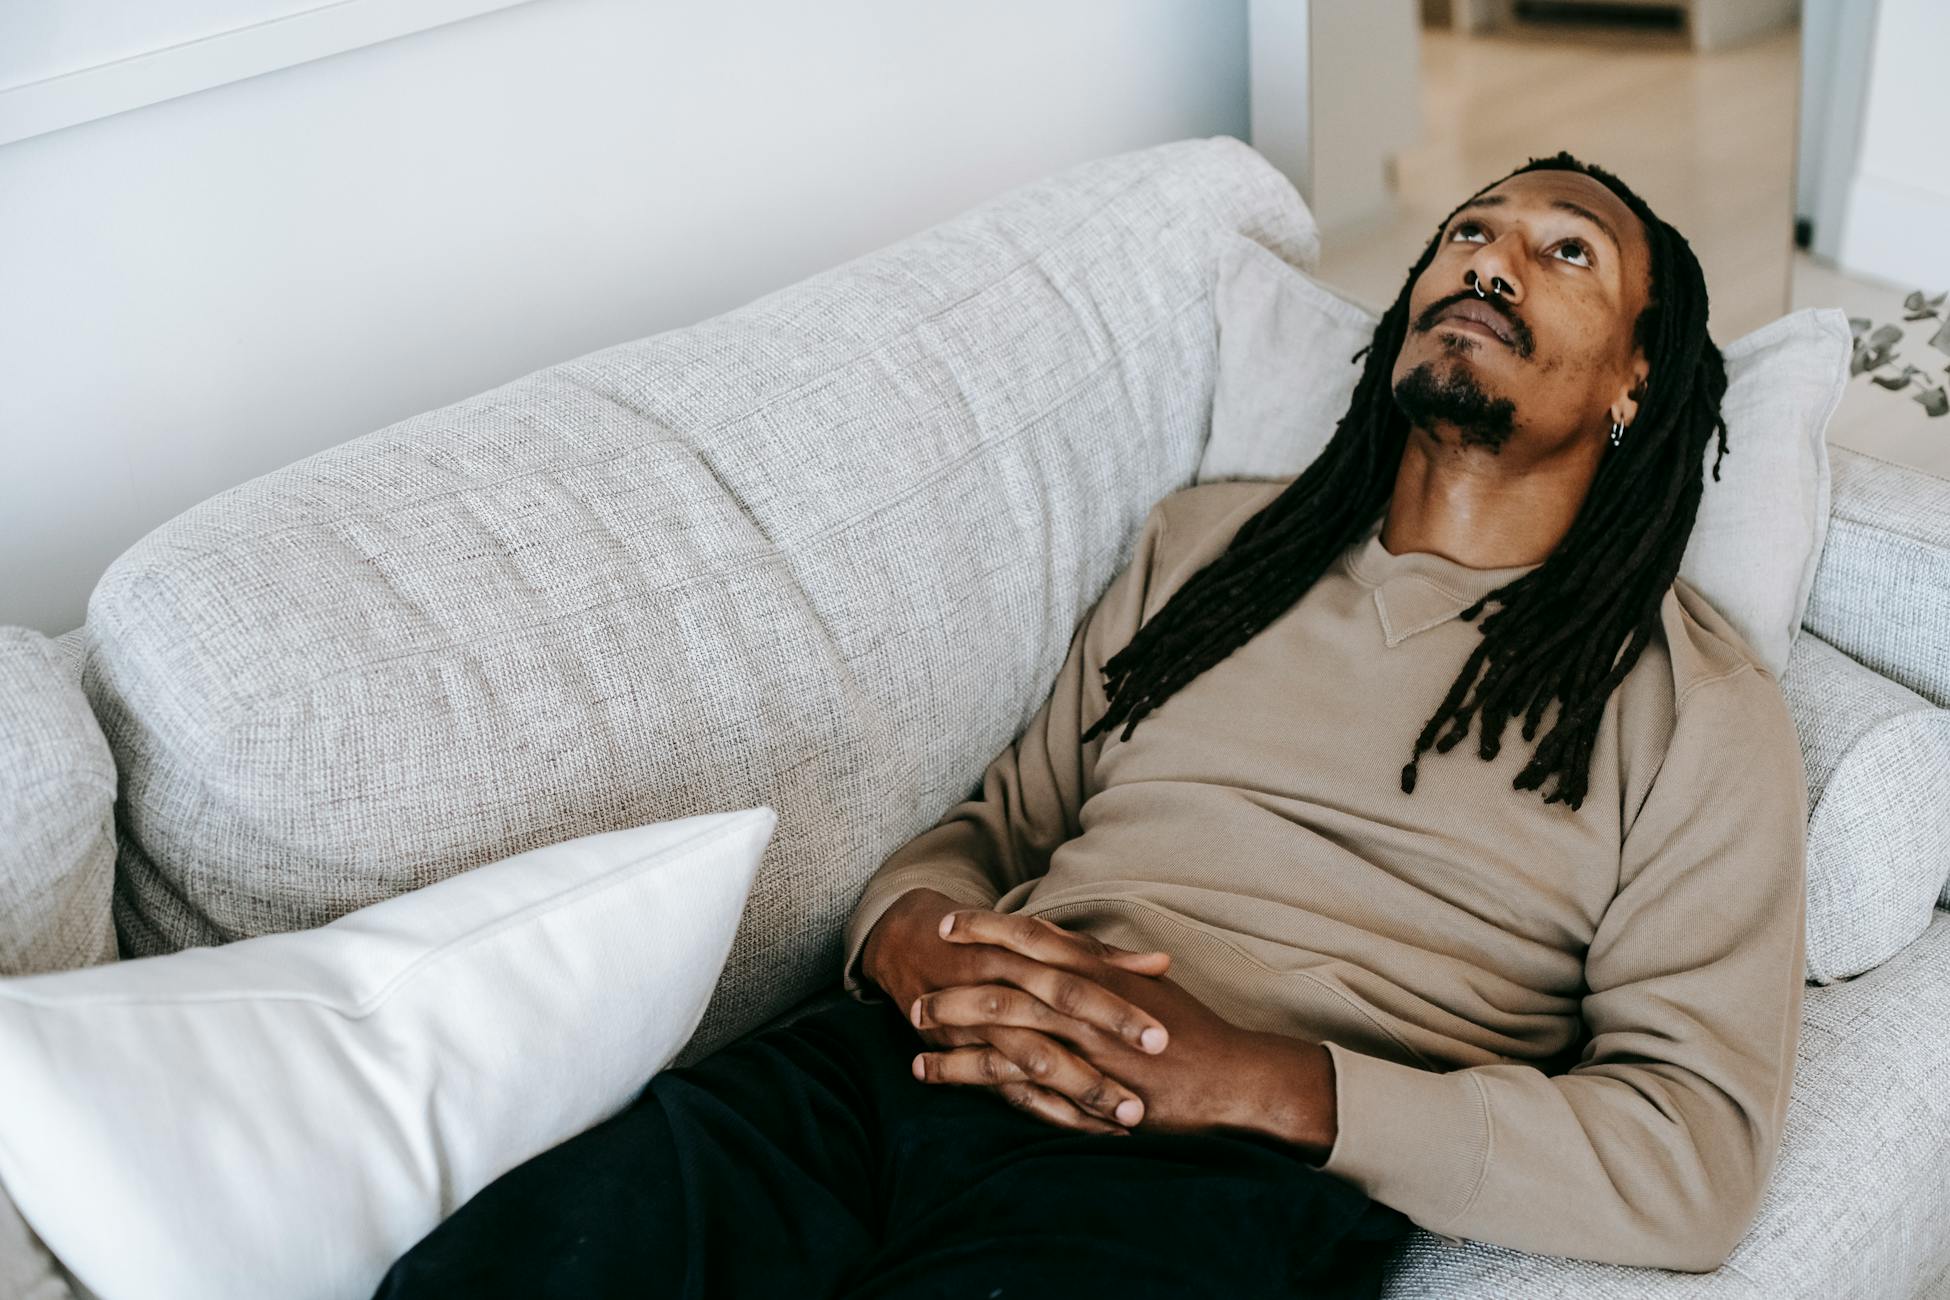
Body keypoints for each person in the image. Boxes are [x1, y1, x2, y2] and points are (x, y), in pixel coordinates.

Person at [372, 149, 1807, 1298]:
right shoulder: (1208, 555)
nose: (1486, 256)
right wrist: (907, 937)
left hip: (1211, 1184)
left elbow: (1693, 1159)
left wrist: (1254, 1082)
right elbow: (998, 827)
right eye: (1465, 232)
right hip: (892, 1073)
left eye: (1566, 251)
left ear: (1638, 380)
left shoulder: (1692, 711)